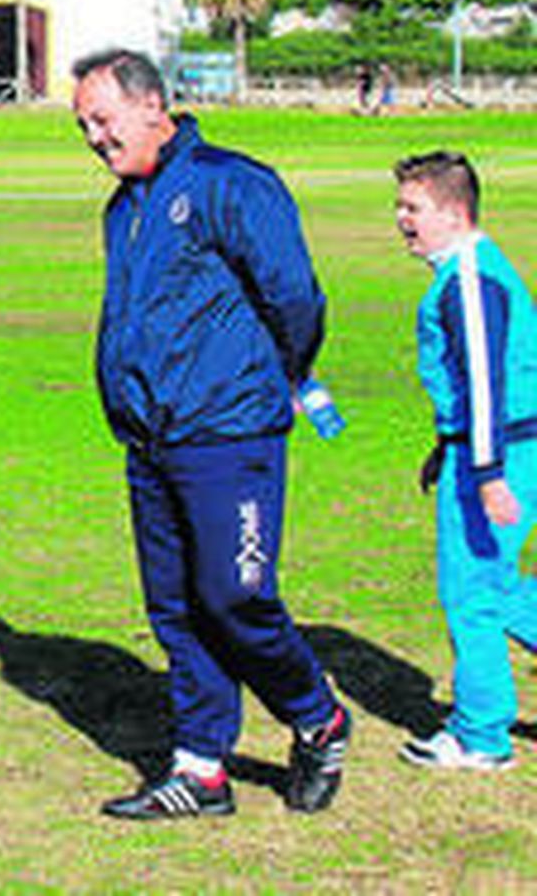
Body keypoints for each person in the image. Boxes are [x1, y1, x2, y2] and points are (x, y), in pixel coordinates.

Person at [70, 48, 351, 820]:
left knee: (236, 597)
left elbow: (295, 297)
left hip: (230, 433)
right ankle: (200, 769)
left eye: (103, 119)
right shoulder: (124, 208)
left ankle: (318, 718)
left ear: (152, 106)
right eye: (83, 125)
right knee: (176, 609)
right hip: (149, 439)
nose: (94, 138)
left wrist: (276, 375)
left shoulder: (232, 184)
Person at [392, 151, 537, 771]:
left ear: (455, 213)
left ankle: (481, 736)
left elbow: (485, 382)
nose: (401, 220)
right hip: (495, 448)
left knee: (471, 594)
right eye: (399, 206)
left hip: (500, 454)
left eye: (413, 207)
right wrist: (444, 446)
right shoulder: (462, 273)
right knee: (497, 586)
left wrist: (487, 473)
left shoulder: (470, 281)